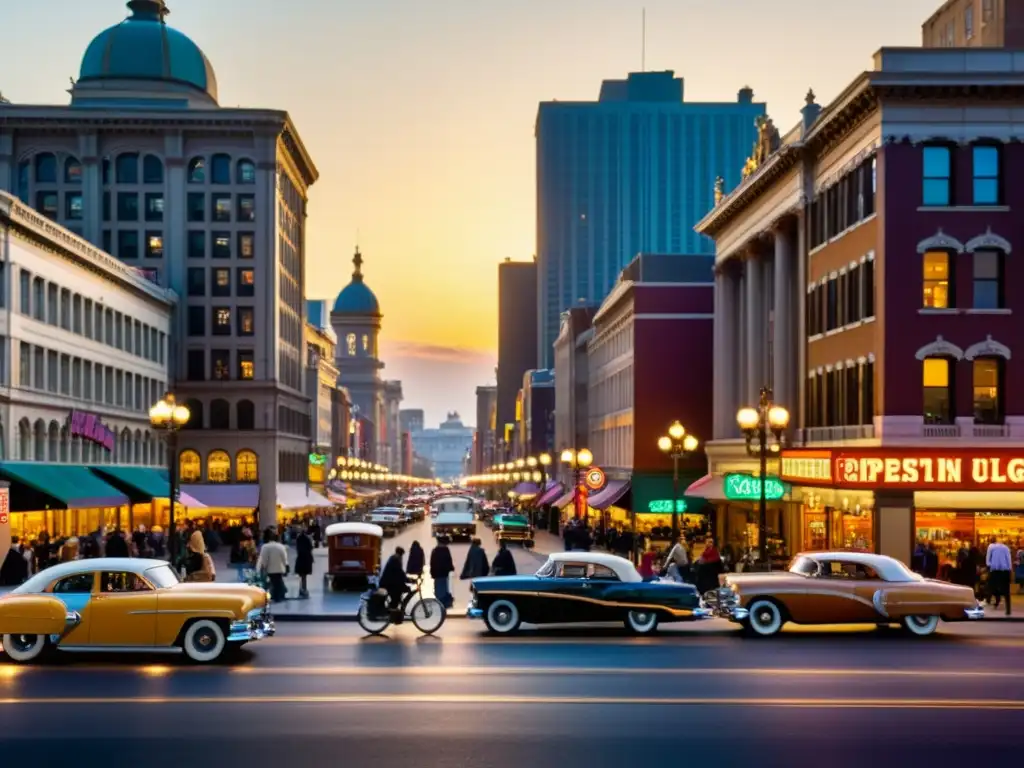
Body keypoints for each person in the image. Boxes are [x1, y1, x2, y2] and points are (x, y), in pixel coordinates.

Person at [379, 546, 414, 612]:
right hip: (389, 583)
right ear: (401, 554)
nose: (402, 557)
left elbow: (399, 573)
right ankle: (392, 610)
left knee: (401, 589)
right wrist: (409, 580)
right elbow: (399, 572)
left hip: (388, 582)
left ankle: (394, 609)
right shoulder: (396, 559)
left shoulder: (393, 558)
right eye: (402, 555)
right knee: (398, 593)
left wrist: (407, 579)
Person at [258, 530, 289, 602]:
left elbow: (264, 559)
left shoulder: (265, 547)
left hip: (270, 569)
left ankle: (278, 595)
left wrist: (263, 567)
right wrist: (286, 566)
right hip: (280, 568)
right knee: (277, 581)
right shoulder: (281, 546)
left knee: (274, 582)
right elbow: (284, 558)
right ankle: (280, 594)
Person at [986, 536, 1012, 616]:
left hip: (995, 570)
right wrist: (1010, 569)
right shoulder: (1006, 548)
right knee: (1006, 591)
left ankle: (991, 601)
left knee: (991, 587)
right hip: (1005, 570)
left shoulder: (991, 547)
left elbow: (987, 559)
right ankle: (1008, 609)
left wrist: (990, 565)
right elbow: (1009, 559)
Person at [430, 536, 455, 608]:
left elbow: (432, 562)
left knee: (438, 587)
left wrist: (432, 572)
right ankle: (444, 602)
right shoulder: (446, 550)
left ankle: (439, 601)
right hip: (444, 573)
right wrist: (451, 568)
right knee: (444, 587)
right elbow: (449, 560)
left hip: (437, 573)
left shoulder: (435, 550)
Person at [294, 526, 314, 598]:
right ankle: (304, 589)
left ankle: (301, 589)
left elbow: (297, 549)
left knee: (301, 575)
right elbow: (311, 547)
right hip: (307, 559)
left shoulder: (298, 539)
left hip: (300, 559)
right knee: (304, 576)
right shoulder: (308, 539)